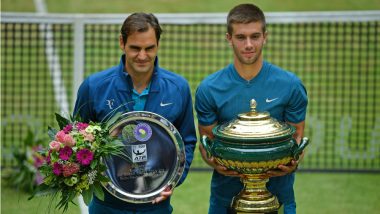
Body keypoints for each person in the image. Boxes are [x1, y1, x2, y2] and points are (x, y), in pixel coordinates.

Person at [73, 12, 197, 214]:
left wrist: (173, 180)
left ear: (158, 44)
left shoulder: (178, 88)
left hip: (156, 205)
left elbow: (187, 141)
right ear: (122, 43)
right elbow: (76, 139)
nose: (142, 56)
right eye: (135, 48)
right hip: (106, 206)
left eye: (149, 48)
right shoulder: (94, 87)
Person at [195, 3, 308, 214]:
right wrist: (214, 162)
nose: (248, 44)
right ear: (229, 38)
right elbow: (207, 144)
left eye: (255, 36)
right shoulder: (209, 89)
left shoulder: (291, 86)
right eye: (240, 37)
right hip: (225, 200)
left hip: (278, 198)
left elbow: (297, 138)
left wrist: (294, 161)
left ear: (265, 36)